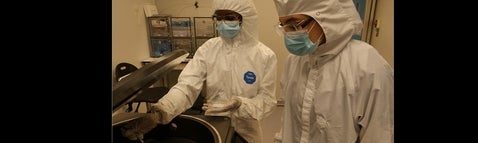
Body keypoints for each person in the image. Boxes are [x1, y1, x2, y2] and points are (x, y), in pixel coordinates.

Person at [121, 0, 278, 142]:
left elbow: (267, 100)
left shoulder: (265, 56)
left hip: (248, 128)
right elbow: (187, 86)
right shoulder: (209, 48)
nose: (223, 23)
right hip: (214, 122)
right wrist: (161, 111)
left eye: (229, 18)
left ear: (246, 19)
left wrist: (239, 104)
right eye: (218, 18)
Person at [271, 0, 394, 142]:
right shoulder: (294, 61)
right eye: (284, 25)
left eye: (295, 25)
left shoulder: (367, 65)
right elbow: (288, 122)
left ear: (326, 17)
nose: (289, 34)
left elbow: (379, 135)